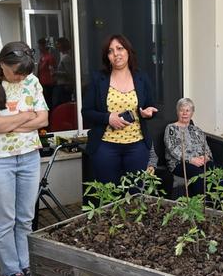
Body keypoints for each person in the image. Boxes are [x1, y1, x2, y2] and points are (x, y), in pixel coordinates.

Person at [0, 41, 48, 276]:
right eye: (15, 72)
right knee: (4, 218)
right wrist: (27, 116)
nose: (20, 78)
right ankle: (10, 269)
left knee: (26, 217)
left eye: (24, 73)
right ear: (2, 64)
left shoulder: (32, 81)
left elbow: (44, 119)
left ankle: (26, 264)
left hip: (29, 155)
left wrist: (7, 122)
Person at [82, 34, 158, 185]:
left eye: (120, 48)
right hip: (105, 147)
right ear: (107, 57)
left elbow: (152, 106)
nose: (116, 54)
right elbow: (86, 112)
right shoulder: (98, 79)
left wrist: (148, 113)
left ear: (128, 51)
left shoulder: (141, 77)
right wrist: (108, 118)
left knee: (136, 193)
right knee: (109, 195)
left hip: (137, 146)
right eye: (110, 51)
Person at [164, 98, 213, 196]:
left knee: (214, 170)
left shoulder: (197, 130)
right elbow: (173, 149)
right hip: (179, 163)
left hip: (200, 161)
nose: (185, 113)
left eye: (188, 110)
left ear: (192, 113)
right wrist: (190, 160)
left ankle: (217, 206)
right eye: (182, 110)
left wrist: (206, 157)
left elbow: (206, 147)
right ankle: (198, 204)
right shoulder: (171, 128)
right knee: (198, 174)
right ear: (178, 112)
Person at [52, 37, 75, 107]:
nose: (57, 47)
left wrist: (56, 73)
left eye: (58, 45)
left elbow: (70, 73)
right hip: (62, 85)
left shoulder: (66, 58)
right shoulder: (64, 57)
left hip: (64, 86)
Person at [37, 37, 56, 108]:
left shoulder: (49, 57)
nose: (39, 48)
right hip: (42, 83)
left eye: (40, 46)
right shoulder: (42, 57)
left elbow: (52, 71)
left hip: (48, 84)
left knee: (48, 103)